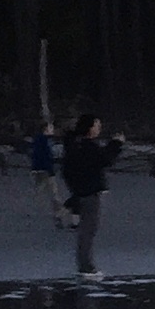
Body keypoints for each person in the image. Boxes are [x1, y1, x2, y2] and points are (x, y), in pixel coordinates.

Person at [65, 112, 120, 276]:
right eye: (97, 125)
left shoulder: (74, 145)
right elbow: (104, 160)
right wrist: (115, 144)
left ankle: (85, 265)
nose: (99, 128)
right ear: (89, 128)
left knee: (86, 229)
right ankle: (86, 267)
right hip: (89, 192)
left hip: (81, 191)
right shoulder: (87, 146)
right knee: (88, 229)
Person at [26, 122, 69, 227]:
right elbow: (52, 154)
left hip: (37, 169)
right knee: (53, 192)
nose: (53, 130)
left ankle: (32, 209)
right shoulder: (47, 141)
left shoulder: (37, 139)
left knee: (40, 190)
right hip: (46, 169)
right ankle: (58, 212)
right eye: (51, 128)